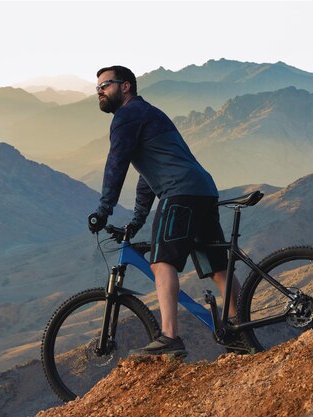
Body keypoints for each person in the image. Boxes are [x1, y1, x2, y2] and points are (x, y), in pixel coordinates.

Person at [87, 65, 241, 357]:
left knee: (161, 263)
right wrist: (137, 219)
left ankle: (170, 336)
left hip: (180, 192)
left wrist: (103, 210)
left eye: (105, 85)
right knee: (218, 267)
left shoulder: (126, 117)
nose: (100, 92)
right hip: (203, 191)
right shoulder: (149, 113)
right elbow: (149, 175)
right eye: (97, 88)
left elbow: (116, 164)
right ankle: (238, 325)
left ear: (126, 87)